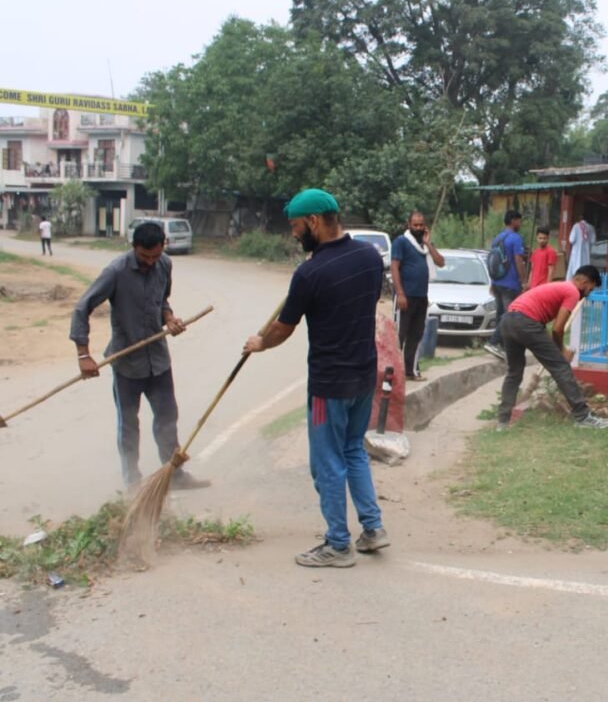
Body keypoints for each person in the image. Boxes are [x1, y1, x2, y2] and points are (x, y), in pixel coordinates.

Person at [243, 189, 389, 568]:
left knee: (327, 463)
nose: (294, 234)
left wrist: (260, 342)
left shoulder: (310, 273)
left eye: (295, 226)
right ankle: (372, 528)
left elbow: (283, 328)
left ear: (313, 221)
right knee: (353, 450)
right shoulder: (370, 257)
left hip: (330, 384)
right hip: (364, 373)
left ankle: (338, 545)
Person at [70, 221, 208, 490]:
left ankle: (174, 475)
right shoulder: (116, 272)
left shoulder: (165, 264)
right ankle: (132, 482)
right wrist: (83, 355)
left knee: (168, 418)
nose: (150, 262)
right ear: (134, 247)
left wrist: (169, 319)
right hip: (126, 363)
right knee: (129, 425)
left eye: (155, 256)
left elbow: (162, 301)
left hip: (158, 360)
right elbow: (81, 308)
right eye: (145, 257)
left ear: (163, 247)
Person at [496, 265, 608, 430]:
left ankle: (502, 422)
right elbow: (557, 329)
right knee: (561, 367)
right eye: (590, 289)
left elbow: (542, 319)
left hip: (508, 320)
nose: (588, 294)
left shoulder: (559, 286)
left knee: (514, 372)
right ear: (585, 282)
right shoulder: (572, 291)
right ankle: (583, 416)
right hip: (526, 322)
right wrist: (562, 351)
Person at [390, 211, 444, 381]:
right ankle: (393, 373)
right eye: (415, 225)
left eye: (421, 225)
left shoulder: (424, 245)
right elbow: (394, 267)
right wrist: (400, 293)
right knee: (399, 336)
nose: (419, 228)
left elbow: (440, 262)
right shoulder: (401, 242)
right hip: (405, 296)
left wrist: (428, 243)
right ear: (409, 225)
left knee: (416, 335)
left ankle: (411, 371)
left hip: (421, 297)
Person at [483, 209, 527, 360]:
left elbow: (492, 262)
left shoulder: (498, 238)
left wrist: (492, 282)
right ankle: (493, 342)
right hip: (510, 284)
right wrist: (524, 280)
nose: (520, 224)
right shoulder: (515, 238)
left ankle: (502, 347)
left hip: (497, 283)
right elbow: (518, 260)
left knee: (500, 314)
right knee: (509, 316)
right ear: (513, 221)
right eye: (519, 221)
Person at [565, 212, 593, 280]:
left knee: (574, 267)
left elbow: (571, 239)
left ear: (580, 218)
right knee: (585, 268)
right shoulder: (591, 227)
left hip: (576, 252)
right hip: (586, 253)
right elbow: (593, 241)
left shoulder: (576, 226)